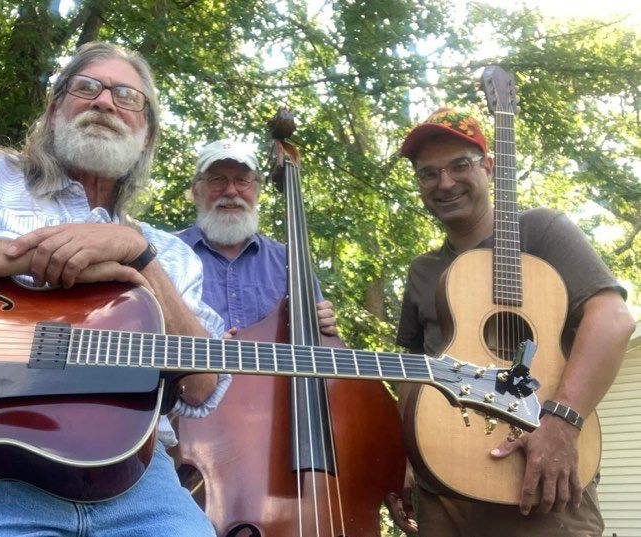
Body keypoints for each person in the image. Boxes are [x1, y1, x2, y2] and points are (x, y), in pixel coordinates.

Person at [0, 42, 228, 537]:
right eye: (86, 88)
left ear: (147, 133)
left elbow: (199, 387)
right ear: (53, 112)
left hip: (137, 484)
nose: (104, 102)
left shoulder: (170, 254)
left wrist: (137, 254)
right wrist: (27, 256)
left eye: (125, 96)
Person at [387, 108, 635, 536]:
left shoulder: (540, 231)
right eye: (428, 174)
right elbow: (413, 372)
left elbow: (613, 320)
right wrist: (404, 461)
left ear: (488, 166)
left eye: (459, 166)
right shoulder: (423, 271)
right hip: (442, 496)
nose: (444, 183)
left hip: (536, 480)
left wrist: (560, 423)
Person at [176, 138, 336, 335]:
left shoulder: (289, 261)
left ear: (257, 191)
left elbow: (316, 347)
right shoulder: (167, 253)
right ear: (197, 191)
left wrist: (321, 325)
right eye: (217, 179)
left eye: (242, 181)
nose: (231, 191)